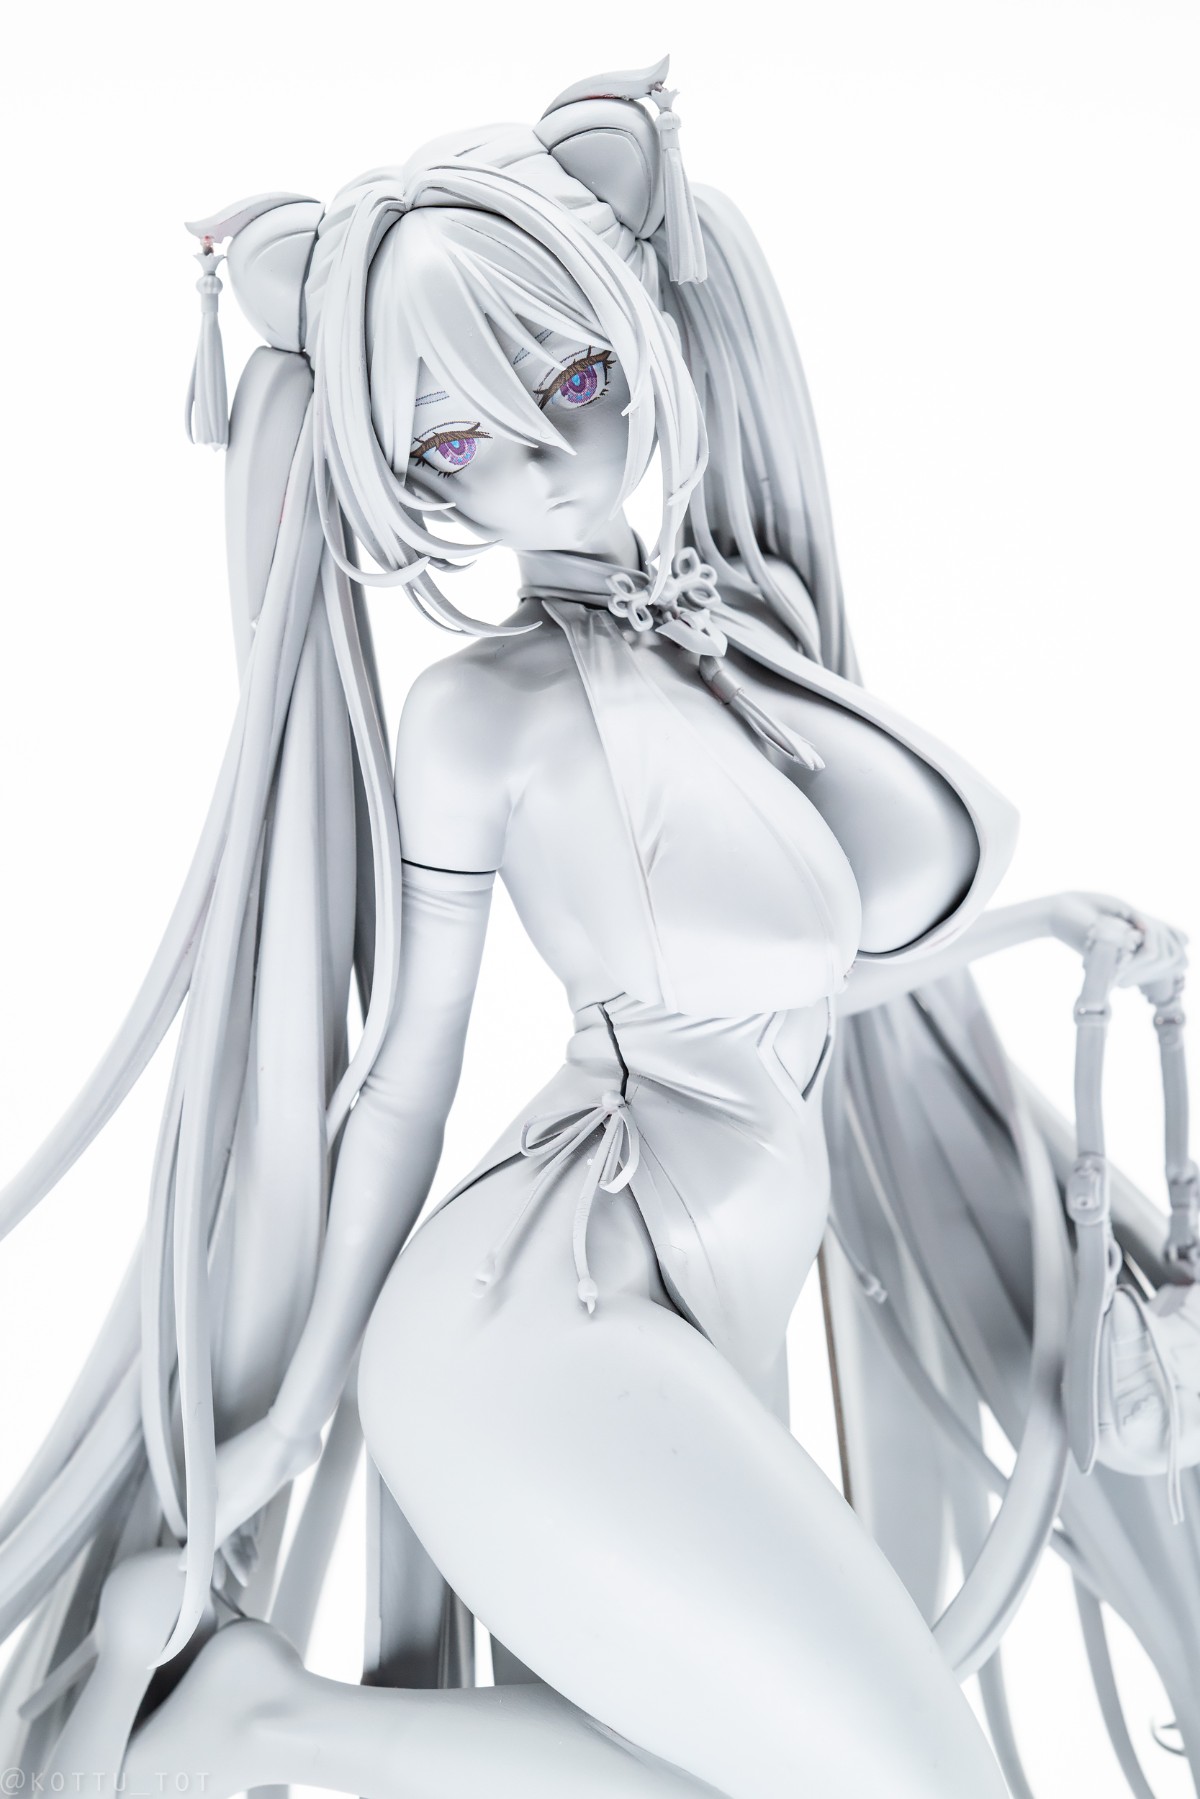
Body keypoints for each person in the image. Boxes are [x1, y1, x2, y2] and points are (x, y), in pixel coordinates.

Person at [0, 55, 1195, 1799]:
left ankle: (264, 1724)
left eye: (572, 379)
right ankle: (252, 1719)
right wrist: (298, 1412)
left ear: (643, 332)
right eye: (457, 442)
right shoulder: (474, 719)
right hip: (533, 1317)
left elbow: (799, 963)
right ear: (400, 480)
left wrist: (1053, 926)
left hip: (691, 1302)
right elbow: (402, 1084)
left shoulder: (740, 625)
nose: (548, 462)